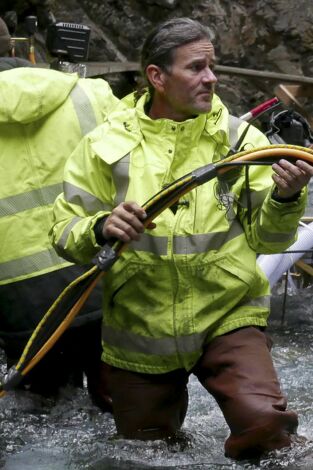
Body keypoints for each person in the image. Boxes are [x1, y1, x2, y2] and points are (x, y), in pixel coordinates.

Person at [50, 17, 313, 460]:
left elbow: (268, 239)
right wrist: (101, 227)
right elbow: (63, 231)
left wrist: (287, 198)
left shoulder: (240, 141)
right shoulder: (102, 145)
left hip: (226, 312)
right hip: (140, 325)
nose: (210, 78)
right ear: (157, 76)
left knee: (268, 428)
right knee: (144, 455)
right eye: (196, 68)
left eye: (212, 68)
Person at [0, 66, 123, 408]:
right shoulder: (91, 93)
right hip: (99, 272)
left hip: (19, 298)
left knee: (40, 408)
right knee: (118, 401)